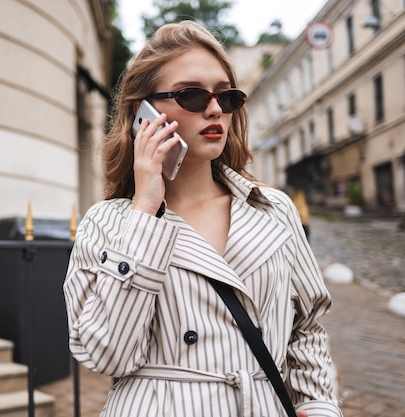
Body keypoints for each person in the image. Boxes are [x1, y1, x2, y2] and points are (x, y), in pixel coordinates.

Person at [63, 20, 342, 417]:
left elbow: (306, 327)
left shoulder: (273, 209)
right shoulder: (108, 222)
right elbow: (106, 353)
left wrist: (318, 404)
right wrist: (145, 210)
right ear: (145, 112)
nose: (214, 108)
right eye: (191, 95)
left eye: (226, 96)